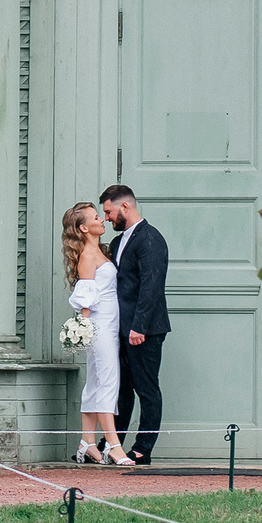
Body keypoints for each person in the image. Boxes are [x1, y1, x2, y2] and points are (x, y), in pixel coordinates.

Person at [99, 183, 169, 465]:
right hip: (121, 329)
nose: (106, 218)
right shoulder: (119, 242)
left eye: (109, 212)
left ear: (125, 206)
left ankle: (143, 448)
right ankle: (112, 444)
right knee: (121, 390)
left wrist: (138, 327)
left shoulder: (150, 239)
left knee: (147, 389)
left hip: (145, 330)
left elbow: (151, 286)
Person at [60, 201, 129, 465]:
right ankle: (113, 444)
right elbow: (87, 298)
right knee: (107, 381)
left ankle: (87, 441)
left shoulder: (100, 251)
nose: (102, 220)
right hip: (100, 326)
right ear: (83, 228)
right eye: (95, 218)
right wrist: (83, 328)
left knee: (95, 383)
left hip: (110, 323)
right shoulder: (88, 256)